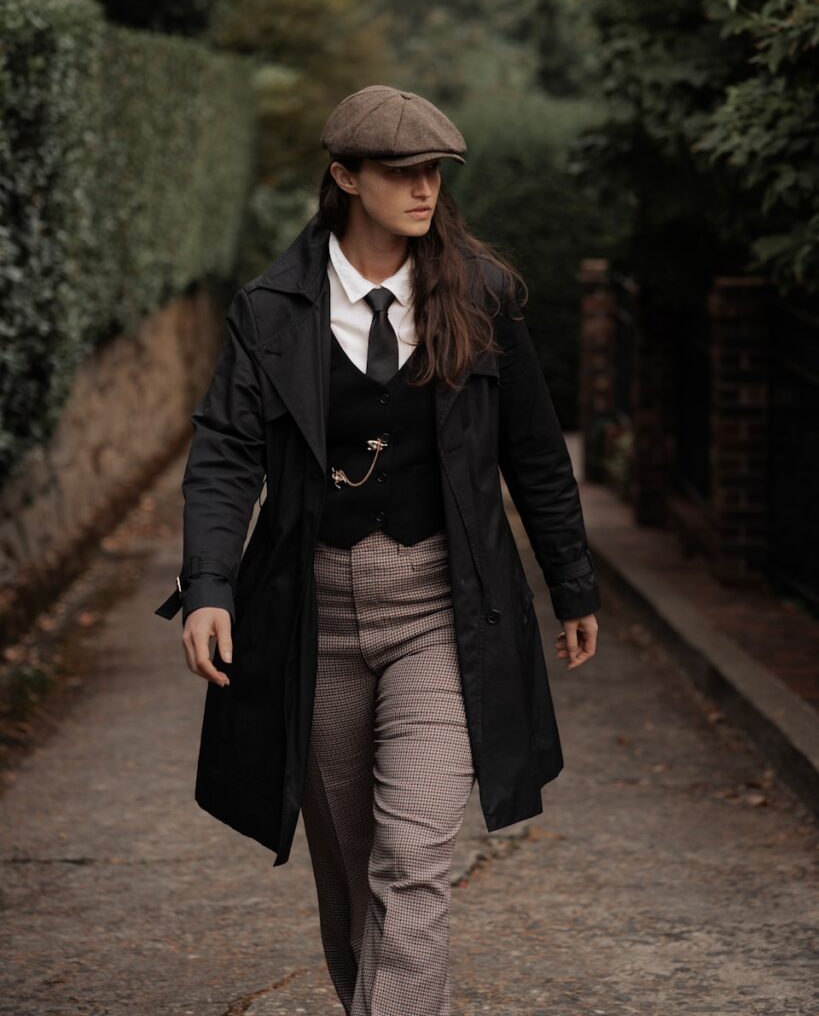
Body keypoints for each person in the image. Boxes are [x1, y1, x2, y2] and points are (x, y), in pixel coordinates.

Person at [155, 84, 600, 1016]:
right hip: (313, 615)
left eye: (433, 172)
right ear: (344, 177)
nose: (423, 189)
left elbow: (532, 452)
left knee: (414, 861)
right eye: (400, 172)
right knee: (354, 877)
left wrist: (571, 581)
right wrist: (208, 587)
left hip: (440, 607)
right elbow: (226, 454)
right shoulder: (272, 310)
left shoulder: (479, 296)